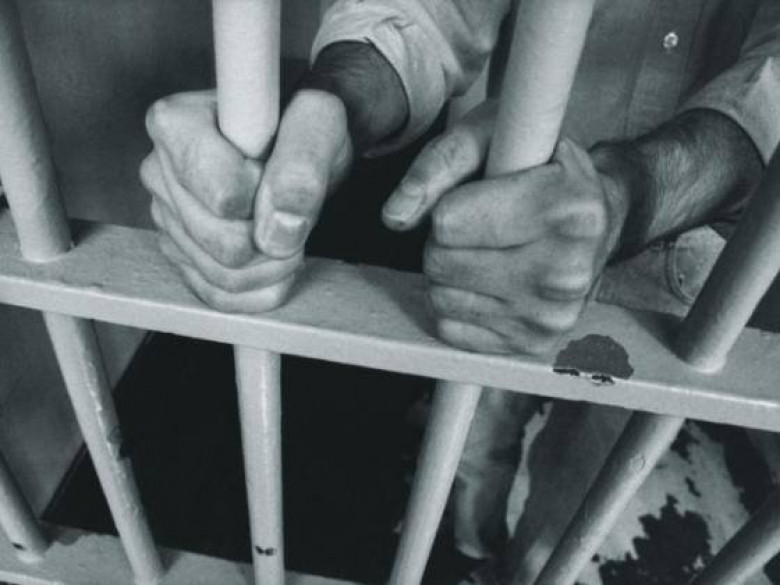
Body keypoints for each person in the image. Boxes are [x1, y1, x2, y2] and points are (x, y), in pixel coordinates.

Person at [140, 0, 780, 582]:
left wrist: (633, 194)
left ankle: (529, 570)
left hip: (683, 261)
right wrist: (334, 103)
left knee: (590, 471)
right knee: (475, 420)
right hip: (499, 215)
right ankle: (472, 543)